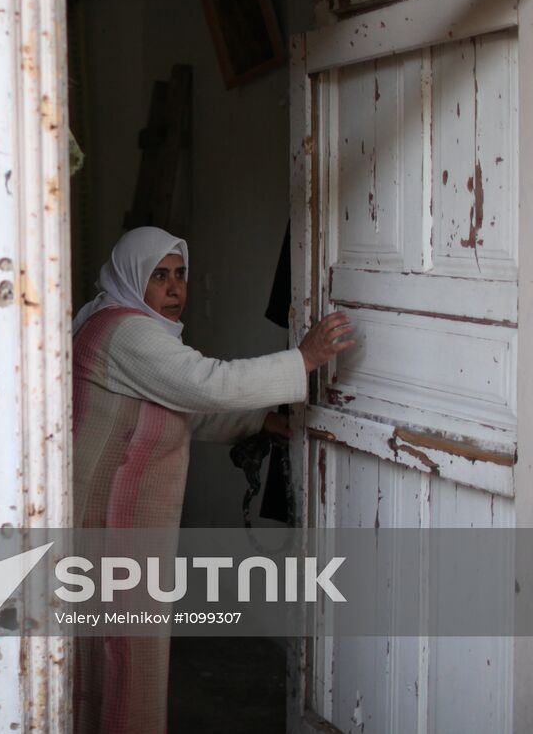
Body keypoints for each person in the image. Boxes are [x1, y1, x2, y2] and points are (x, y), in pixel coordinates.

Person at [71, 226, 353, 734]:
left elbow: (179, 409)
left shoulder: (125, 327)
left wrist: (259, 422)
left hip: (113, 516)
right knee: (124, 649)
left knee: (111, 648)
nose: (175, 289)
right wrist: (303, 360)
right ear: (134, 279)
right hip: (110, 519)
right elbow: (209, 384)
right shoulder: (126, 331)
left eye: (180, 274)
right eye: (160, 276)